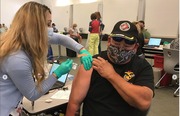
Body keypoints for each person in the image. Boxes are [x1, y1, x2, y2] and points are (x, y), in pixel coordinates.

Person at [0, 2, 91, 116]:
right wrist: (57, 74)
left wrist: (81, 49)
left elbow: (60, 39)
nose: (51, 29)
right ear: (35, 26)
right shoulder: (17, 59)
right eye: (48, 24)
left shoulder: (20, 41)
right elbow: (32, 94)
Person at [66, 20, 154, 116]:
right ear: (109, 41)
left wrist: (111, 75)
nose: (121, 47)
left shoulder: (142, 67)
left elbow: (144, 102)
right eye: (117, 40)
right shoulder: (93, 64)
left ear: (135, 47)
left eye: (128, 43)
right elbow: (74, 104)